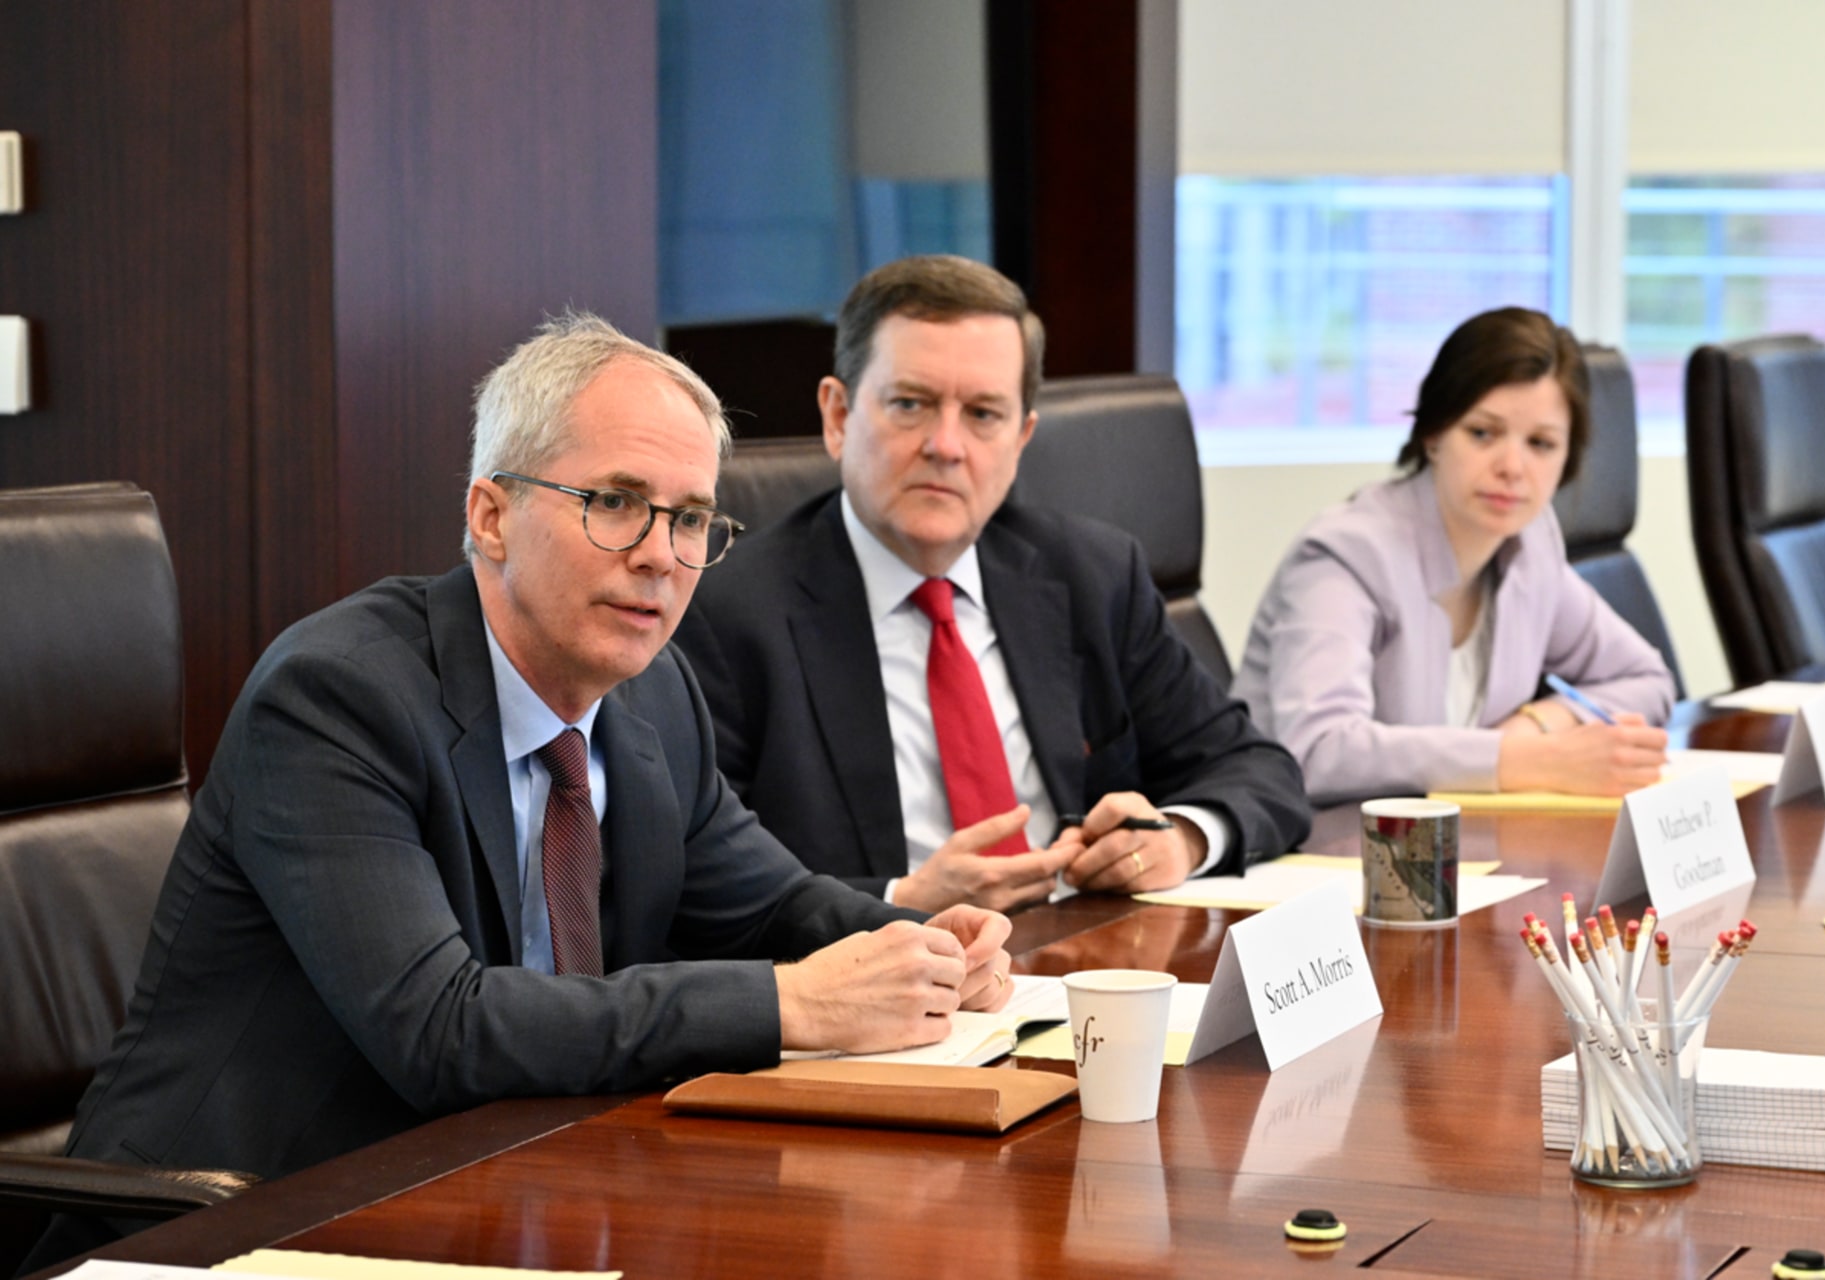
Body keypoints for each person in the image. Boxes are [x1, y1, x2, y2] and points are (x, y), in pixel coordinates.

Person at [26, 314, 1011, 1269]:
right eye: (616, 502)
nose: (662, 556)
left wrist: (916, 947)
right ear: (491, 515)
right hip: (246, 1221)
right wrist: (792, 1001)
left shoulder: (653, 691)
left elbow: (769, 903)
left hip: (508, 1193)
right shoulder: (337, 696)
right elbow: (439, 1026)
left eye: (692, 518)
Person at [676, 255, 1311, 915]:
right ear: (838, 417)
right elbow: (702, 881)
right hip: (883, 982)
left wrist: (1177, 839)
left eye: (983, 414)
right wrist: (901, 899)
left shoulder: (1091, 575)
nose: (946, 445)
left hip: (1085, 962)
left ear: (1021, 438)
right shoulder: (728, 614)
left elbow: (1259, 770)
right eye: (910, 404)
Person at [1231, 307, 1675, 806]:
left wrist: (1537, 724)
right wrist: (1525, 760)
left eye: (1541, 444)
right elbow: (1316, 751)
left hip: (1446, 850)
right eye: (1483, 433)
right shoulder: (1347, 555)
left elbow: (1645, 678)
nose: (1512, 467)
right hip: (1309, 851)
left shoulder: (1529, 544)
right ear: (1434, 433)